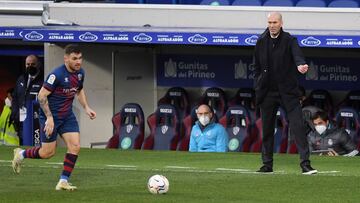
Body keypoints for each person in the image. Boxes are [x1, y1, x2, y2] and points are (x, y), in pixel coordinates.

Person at [12, 44, 97, 191]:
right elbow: (42, 96)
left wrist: (86, 107)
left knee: (75, 146)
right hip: (50, 117)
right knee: (47, 153)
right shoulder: (56, 75)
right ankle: (21, 153)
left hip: (67, 117)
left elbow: (79, 90)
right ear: (66, 59)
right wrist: (50, 118)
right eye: (74, 58)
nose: (78, 62)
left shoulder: (80, 73)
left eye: (80, 58)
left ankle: (63, 181)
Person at [253, 12, 317, 174]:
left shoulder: (290, 40)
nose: (272, 25)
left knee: (298, 127)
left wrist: (301, 65)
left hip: (287, 92)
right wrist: (258, 85)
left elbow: (298, 56)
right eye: (269, 22)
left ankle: (305, 164)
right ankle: (267, 165)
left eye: (275, 22)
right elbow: (256, 67)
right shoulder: (261, 40)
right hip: (267, 92)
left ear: (281, 23)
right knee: (267, 130)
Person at [10, 54, 43, 145]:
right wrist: (14, 114)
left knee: (36, 145)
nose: (30, 66)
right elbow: (15, 98)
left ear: (38, 64)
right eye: (27, 64)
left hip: (36, 120)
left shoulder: (43, 80)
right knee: (23, 143)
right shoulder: (21, 79)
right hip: (21, 119)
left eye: (33, 64)